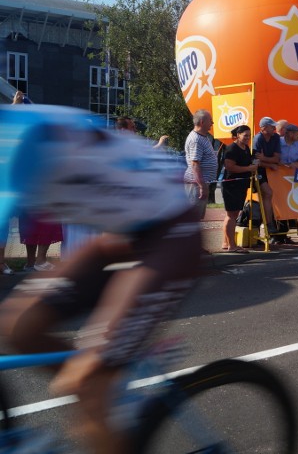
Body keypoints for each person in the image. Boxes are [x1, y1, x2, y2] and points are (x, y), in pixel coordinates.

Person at [0, 104, 200, 454]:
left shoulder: (36, 130)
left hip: (171, 232)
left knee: (88, 381)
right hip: (118, 233)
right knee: (17, 326)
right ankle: (108, 393)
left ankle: (102, 392)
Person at [221, 125, 257, 252]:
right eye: (245, 135)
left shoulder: (246, 148)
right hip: (231, 185)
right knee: (232, 215)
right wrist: (248, 168)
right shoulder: (232, 148)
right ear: (238, 135)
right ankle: (232, 245)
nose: (248, 138)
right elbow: (230, 166)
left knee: (233, 214)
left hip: (241, 184)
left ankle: (226, 242)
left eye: (249, 135)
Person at [184, 109, 218, 220]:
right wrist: (202, 185)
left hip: (198, 184)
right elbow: (195, 164)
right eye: (210, 121)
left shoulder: (202, 137)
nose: (212, 123)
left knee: (196, 218)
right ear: (202, 122)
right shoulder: (196, 139)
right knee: (192, 219)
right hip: (195, 185)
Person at [278, 121, 298, 243]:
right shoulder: (278, 143)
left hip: (297, 174)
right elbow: (274, 158)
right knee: (282, 202)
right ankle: (282, 234)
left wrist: (297, 163)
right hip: (280, 176)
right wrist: (282, 165)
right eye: (296, 133)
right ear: (289, 133)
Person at [253, 116, 281, 238]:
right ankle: (268, 224)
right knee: (267, 194)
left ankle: (268, 225)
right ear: (263, 128)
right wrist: (271, 163)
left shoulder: (275, 137)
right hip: (258, 171)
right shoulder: (258, 138)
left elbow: (277, 158)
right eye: (271, 126)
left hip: (267, 169)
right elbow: (256, 161)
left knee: (268, 195)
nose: (275, 128)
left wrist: (264, 159)